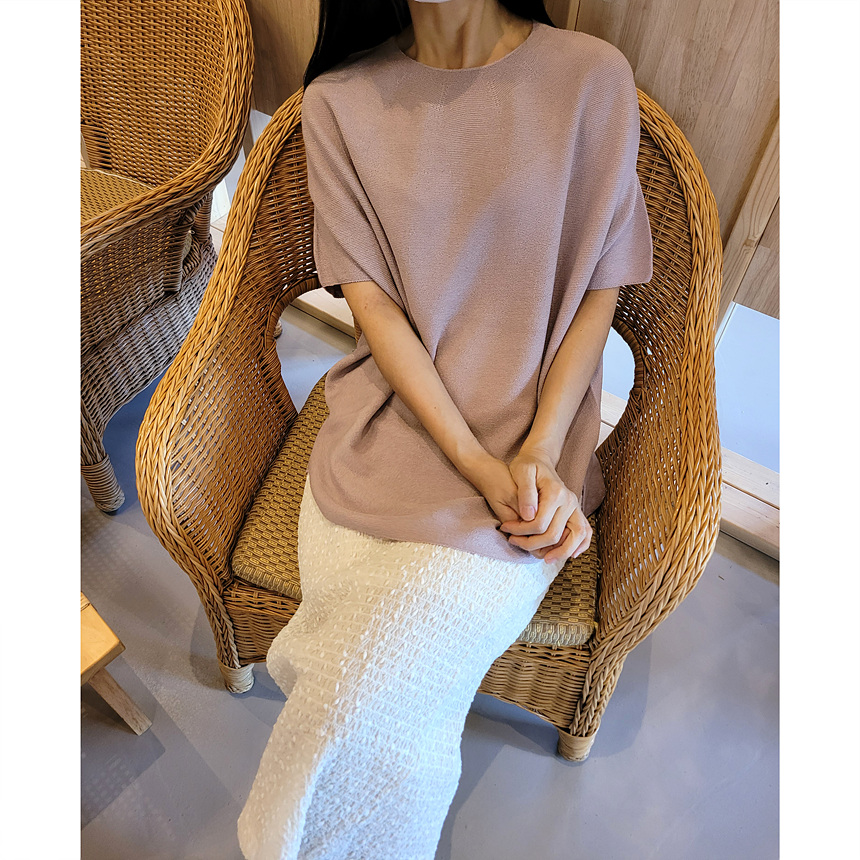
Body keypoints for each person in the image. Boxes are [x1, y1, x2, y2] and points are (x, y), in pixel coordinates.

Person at [238, 1, 653, 857]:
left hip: (531, 453)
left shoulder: (590, 77)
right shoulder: (340, 101)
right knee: (357, 690)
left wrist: (538, 451)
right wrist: (469, 457)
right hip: (389, 431)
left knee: (357, 689)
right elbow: (374, 309)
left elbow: (598, 289)